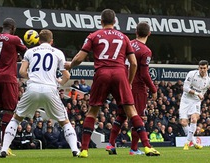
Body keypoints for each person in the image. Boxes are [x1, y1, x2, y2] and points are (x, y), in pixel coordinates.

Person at [65, 9, 159, 158]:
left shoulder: (94, 36)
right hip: (120, 74)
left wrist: (69, 65)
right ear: (115, 22)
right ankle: (147, 147)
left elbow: (79, 58)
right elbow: (133, 63)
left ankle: (84, 150)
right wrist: (128, 82)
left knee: (93, 111)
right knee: (131, 111)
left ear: (101, 21)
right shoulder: (123, 37)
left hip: (101, 74)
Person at [0, 29, 80, 158]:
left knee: (16, 119)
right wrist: (58, 82)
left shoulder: (30, 52)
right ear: (52, 41)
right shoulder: (58, 53)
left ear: (38, 40)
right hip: (50, 89)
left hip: (32, 88)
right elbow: (67, 76)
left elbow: (22, 72)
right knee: (65, 122)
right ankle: (75, 150)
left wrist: (35, 78)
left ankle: (4, 149)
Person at [107, 21, 160, 156]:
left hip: (123, 84)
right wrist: (153, 89)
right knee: (139, 117)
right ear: (149, 33)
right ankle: (134, 149)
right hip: (137, 87)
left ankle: (111, 144)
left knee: (121, 115)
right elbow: (144, 74)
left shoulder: (127, 43)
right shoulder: (146, 51)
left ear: (136, 32)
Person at [0, 18, 27, 156]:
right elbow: (28, 53)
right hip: (8, 78)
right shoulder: (14, 39)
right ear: (13, 28)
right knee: (8, 111)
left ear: (3, 27)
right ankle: (4, 146)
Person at [179, 60, 210, 150]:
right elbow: (185, 88)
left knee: (194, 119)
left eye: (204, 68)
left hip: (196, 101)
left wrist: (200, 97)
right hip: (185, 100)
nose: (202, 70)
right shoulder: (191, 74)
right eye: (201, 68)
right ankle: (194, 142)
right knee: (183, 122)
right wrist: (197, 93)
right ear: (198, 68)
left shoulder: (208, 81)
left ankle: (186, 143)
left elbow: (203, 93)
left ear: (207, 68)